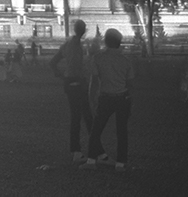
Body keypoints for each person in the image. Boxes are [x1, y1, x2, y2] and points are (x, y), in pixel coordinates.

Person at [81, 28, 134, 172]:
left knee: (96, 129)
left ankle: (91, 161)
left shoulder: (98, 58)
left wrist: (91, 97)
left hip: (105, 98)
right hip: (122, 97)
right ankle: (121, 164)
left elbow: (95, 81)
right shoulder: (125, 61)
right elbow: (129, 84)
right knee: (122, 132)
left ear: (106, 41)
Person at [51, 19, 93, 163]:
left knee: (77, 117)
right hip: (78, 82)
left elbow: (53, 62)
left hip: (69, 82)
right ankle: (93, 150)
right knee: (86, 116)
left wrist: (60, 74)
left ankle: (77, 151)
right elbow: (78, 66)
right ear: (82, 30)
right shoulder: (76, 45)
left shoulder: (67, 44)